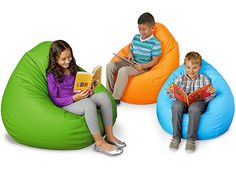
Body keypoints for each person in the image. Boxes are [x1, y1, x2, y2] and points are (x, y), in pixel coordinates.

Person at [46, 40, 126, 156]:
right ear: (55, 58)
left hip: (79, 97)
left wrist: (88, 89)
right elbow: (54, 99)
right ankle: (99, 143)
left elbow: (78, 85)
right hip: (66, 103)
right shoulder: (51, 75)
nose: (68, 61)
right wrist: (74, 98)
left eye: (69, 57)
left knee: (104, 96)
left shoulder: (73, 68)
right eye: (63, 59)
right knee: (88, 104)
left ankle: (109, 136)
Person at [106, 12, 162, 105]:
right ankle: (109, 93)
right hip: (130, 62)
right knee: (110, 66)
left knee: (123, 71)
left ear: (152, 28)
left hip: (142, 67)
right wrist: (130, 54)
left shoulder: (155, 43)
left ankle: (115, 98)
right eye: (139, 29)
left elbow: (155, 61)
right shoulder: (136, 37)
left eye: (144, 29)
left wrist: (143, 66)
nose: (141, 32)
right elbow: (131, 49)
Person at [167, 52, 216, 152]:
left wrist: (212, 92)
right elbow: (174, 95)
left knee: (194, 108)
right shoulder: (180, 78)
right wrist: (171, 92)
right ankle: (176, 138)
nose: (191, 70)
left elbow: (208, 97)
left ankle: (191, 140)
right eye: (188, 67)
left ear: (200, 66)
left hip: (198, 103)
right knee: (176, 106)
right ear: (184, 66)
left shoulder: (204, 79)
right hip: (183, 102)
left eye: (195, 67)